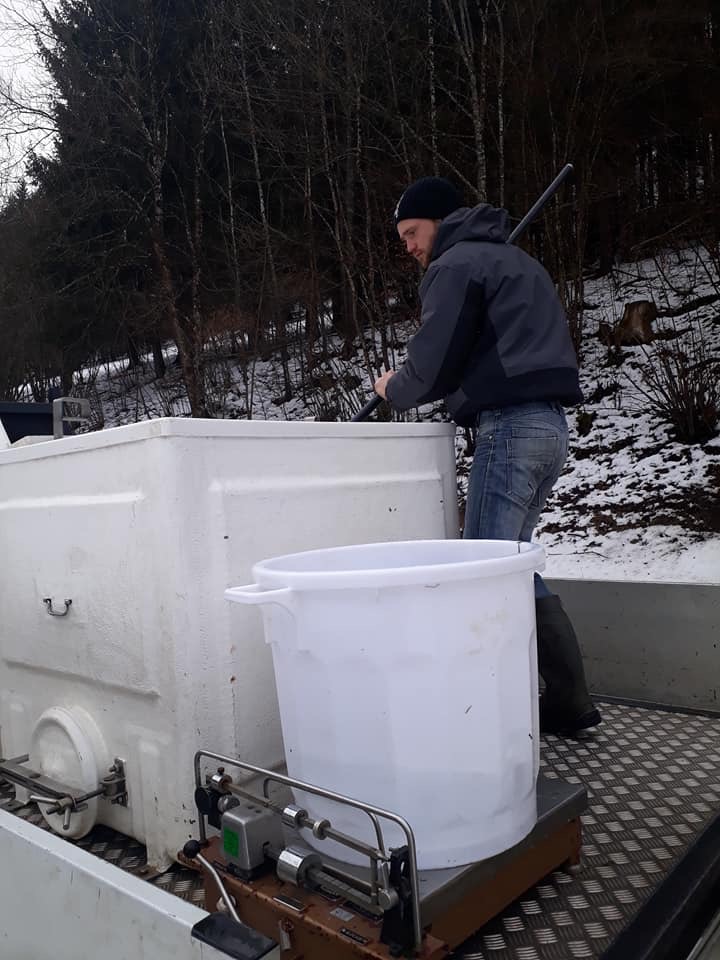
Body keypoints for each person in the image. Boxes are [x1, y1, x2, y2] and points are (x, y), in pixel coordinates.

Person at [375, 175, 601, 737]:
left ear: (440, 221)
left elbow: (433, 363)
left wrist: (391, 388)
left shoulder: (455, 266)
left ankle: (489, 710)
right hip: (549, 427)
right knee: (511, 567)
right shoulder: (518, 262)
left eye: (412, 232)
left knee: (484, 573)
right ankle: (567, 699)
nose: (409, 246)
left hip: (510, 429)